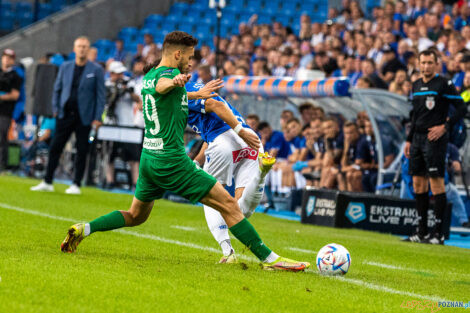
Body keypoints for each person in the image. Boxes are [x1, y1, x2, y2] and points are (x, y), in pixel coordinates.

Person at [60, 31, 308, 271]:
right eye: (189, 57)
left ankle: (85, 229)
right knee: (229, 205)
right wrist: (176, 82)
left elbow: (163, 92)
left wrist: (194, 93)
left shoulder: (149, 75)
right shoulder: (167, 76)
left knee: (136, 215)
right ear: (177, 54)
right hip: (172, 162)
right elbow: (163, 87)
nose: (191, 63)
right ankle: (270, 259)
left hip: (149, 159)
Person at [186, 81, 274, 263]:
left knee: (210, 196)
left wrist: (239, 131)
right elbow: (207, 136)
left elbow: (214, 104)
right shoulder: (194, 86)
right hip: (251, 141)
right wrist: (196, 161)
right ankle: (262, 173)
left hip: (227, 140)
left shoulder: (183, 91)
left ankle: (228, 252)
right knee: (241, 210)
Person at [403, 49, 467, 244]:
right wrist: (409, 139)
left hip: (435, 140)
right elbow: (416, 115)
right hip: (417, 139)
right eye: (423, 63)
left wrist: (445, 126)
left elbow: (462, 108)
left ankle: (438, 233)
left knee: (436, 183)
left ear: (437, 64)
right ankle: (421, 231)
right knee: (418, 184)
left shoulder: (444, 84)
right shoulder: (415, 84)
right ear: (419, 64)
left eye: (430, 63)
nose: (426, 66)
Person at [30, 36, 106, 194]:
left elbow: (100, 96)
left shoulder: (96, 69)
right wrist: (55, 108)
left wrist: (98, 117)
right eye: (79, 46)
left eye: (85, 46)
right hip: (64, 114)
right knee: (55, 147)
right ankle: (47, 181)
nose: (82, 49)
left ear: (89, 49)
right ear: (74, 49)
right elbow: (57, 89)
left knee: (81, 149)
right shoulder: (65, 66)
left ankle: (76, 183)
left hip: (84, 116)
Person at [103, 61, 142, 190]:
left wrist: (127, 91)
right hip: (111, 124)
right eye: (117, 73)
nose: (120, 76)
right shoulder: (107, 84)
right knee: (110, 154)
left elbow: (138, 100)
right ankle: (110, 181)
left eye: (121, 73)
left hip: (128, 123)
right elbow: (107, 101)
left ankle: (136, 182)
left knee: (134, 156)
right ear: (112, 74)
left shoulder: (129, 83)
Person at [0, 49, 22, 171]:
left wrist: (2, 96)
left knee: (2, 137)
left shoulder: (15, 77)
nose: (6, 59)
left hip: (5, 112)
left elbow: (15, 95)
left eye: (9, 58)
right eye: (5, 57)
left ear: (13, 60)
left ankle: (2, 165)